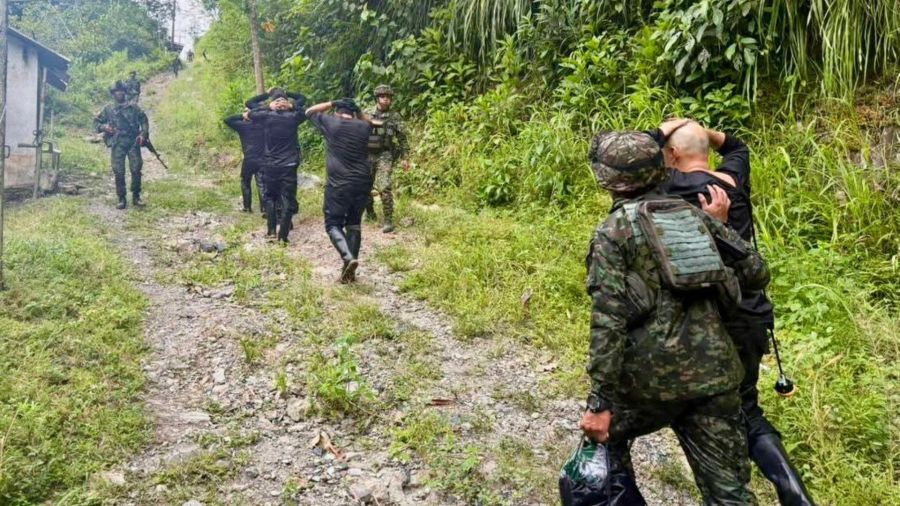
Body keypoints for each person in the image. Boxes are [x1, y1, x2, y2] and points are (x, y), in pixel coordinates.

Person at [580, 131, 771, 505]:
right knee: (730, 494)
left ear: (608, 180)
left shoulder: (613, 232)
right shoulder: (695, 217)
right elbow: (756, 273)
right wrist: (718, 230)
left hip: (649, 385)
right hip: (714, 378)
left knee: (603, 456)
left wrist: (600, 403)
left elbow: (608, 320)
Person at [650, 119, 816, 506]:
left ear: (672, 154)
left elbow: (636, 153)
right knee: (747, 408)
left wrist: (669, 127)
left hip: (712, 320)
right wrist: (701, 132)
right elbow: (738, 147)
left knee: (704, 413)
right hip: (752, 313)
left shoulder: (671, 185)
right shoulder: (733, 180)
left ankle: (726, 491)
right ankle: (796, 496)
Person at [305, 98, 373, 283]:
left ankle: (347, 257)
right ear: (354, 114)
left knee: (333, 224)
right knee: (354, 224)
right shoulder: (363, 126)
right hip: (363, 182)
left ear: (337, 113)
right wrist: (358, 110)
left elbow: (309, 111)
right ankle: (348, 273)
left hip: (339, 184)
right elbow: (368, 121)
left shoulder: (332, 123)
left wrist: (331, 102)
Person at [245, 89, 307, 243]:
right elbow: (303, 105)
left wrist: (269, 103)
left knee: (270, 197)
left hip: (270, 164)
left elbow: (250, 109)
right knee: (287, 198)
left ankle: (271, 231)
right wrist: (290, 102)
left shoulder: (265, 115)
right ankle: (283, 237)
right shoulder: (295, 116)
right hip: (289, 164)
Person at [94, 81, 149, 210]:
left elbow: (144, 120)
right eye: (116, 91)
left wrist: (143, 134)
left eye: (121, 91)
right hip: (117, 142)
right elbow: (96, 122)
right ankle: (121, 198)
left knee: (136, 169)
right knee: (118, 171)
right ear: (113, 94)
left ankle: (136, 196)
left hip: (133, 141)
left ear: (125, 92)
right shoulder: (108, 109)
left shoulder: (133, 107)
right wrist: (105, 127)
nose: (119, 93)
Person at [364, 85, 409, 233]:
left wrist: (405, 157)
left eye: (388, 97)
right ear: (377, 98)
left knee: (384, 186)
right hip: (367, 154)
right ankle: (370, 212)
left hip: (385, 154)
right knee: (364, 185)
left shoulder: (395, 117)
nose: (386, 99)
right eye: (382, 96)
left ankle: (388, 220)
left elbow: (402, 139)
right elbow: (356, 132)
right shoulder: (367, 114)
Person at [224, 109, 265, 213]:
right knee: (261, 183)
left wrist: (242, 115)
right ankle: (264, 208)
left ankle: (247, 207)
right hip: (263, 158)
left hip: (249, 158)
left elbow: (227, 120)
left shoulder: (242, 126)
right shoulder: (263, 125)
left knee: (245, 182)